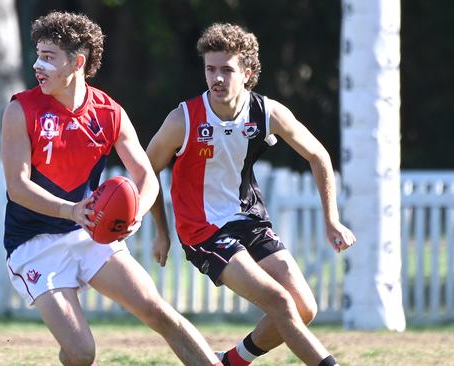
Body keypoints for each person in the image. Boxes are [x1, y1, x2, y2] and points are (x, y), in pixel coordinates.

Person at [1, 11, 222, 366]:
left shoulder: (108, 113)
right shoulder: (21, 109)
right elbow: (17, 187)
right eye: (38, 55)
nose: (38, 66)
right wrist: (70, 210)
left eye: (49, 57)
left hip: (89, 235)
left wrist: (136, 210)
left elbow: (146, 176)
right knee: (81, 352)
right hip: (34, 244)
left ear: (77, 62)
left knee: (158, 312)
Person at [146, 23, 357, 366]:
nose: (216, 78)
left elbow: (318, 155)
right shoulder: (183, 119)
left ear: (246, 72)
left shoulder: (265, 112)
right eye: (210, 69)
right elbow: (146, 169)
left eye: (226, 70)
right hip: (202, 230)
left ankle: (230, 362)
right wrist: (161, 232)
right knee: (279, 301)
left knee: (304, 307)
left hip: (249, 219)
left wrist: (331, 220)